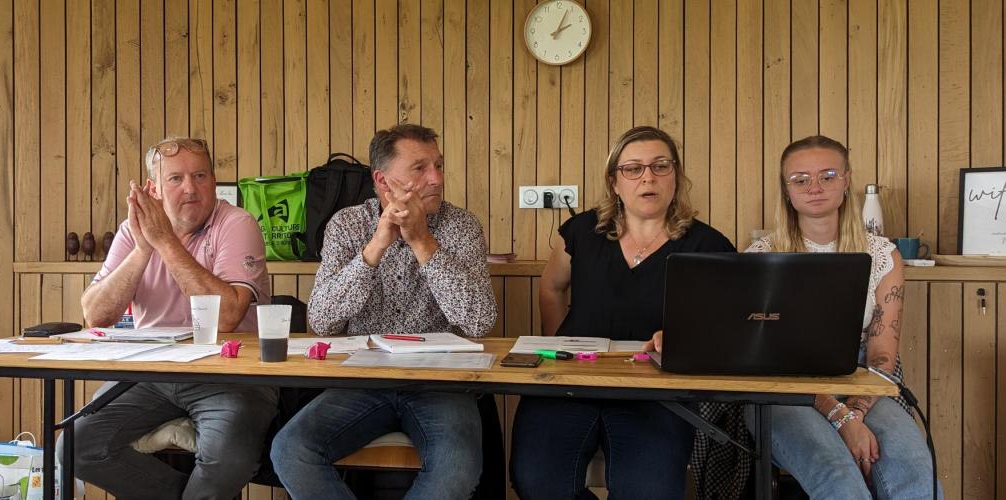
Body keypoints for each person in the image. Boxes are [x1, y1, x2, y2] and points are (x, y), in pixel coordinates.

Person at [648, 135, 938, 499]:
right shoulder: (759, 256)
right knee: (836, 473)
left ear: (846, 180)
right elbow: (766, 356)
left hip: (863, 380)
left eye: (827, 176)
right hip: (779, 387)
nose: (814, 187)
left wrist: (856, 412)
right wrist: (840, 417)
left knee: (912, 466)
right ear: (786, 190)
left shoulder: (882, 255)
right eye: (800, 179)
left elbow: (882, 356)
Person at [270, 123, 497, 500]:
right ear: (382, 180)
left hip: (441, 382)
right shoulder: (347, 224)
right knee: (291, 449)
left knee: (458, 467)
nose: (436, 178)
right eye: (420, 168)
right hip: (363, 378)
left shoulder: (461, 226)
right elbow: (322, 320)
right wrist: (375, 247)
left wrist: (423, 241)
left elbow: (479, 321)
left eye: (439, 165)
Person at [510, 126, 735, 499]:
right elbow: (551, 287)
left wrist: (688, 339)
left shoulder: (709, 245)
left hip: (657, 391)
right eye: (633, 168)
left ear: (675, 177)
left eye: (660, 166)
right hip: (571, 382)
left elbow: (726, 322)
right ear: (614, 181)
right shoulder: (581, 231)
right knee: (536, 482)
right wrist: (560, 342)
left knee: (650, 491)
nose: (648, 177)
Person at [72, 137, 278, 500]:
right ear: (153, 189)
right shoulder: (132, 231)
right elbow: (96, 316)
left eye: (200, 176)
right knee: (75, 448)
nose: (191, 188)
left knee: (226, 461)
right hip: (152, 372)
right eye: (176, 179)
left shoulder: (237, 223)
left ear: (214, 182)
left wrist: (166, 243)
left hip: (232, 374)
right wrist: (143, 248)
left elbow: (227, 315)